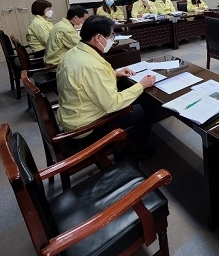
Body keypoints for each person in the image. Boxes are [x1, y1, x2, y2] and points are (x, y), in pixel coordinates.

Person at [56, 15, 157, 158]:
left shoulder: (73, 53)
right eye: (110, 36)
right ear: (98, 38)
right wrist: (141, 85)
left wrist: (115, 73)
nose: (112, 40)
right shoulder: (92, 66)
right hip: (87, 129)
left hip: (73, 116)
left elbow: (84, 80)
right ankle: (138, 149)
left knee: (135, 96)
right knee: (147, 107)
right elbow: (112, 104)